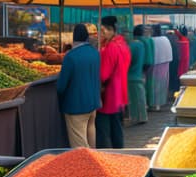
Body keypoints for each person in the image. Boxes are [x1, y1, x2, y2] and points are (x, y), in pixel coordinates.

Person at [55, 23, 100, 148]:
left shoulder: (71, 56)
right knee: (91, 133)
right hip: (93, 103)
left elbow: (61, 86)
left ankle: (85, 166)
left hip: (76, 106)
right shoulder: (95, 53)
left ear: (73, 38)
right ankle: (94, 161)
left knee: (79, 143)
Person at [96, 16, 129, 148]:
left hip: (109, 94)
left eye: (102, 30)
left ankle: (106, 156)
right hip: (120, 91)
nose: (101, 33)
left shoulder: (111, 47)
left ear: (108, 30)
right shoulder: (123, 45)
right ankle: (120, 153)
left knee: (104, 129)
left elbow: (104, 74)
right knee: (117, 127)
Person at [126, 25, 149, 126]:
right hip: (139, 74)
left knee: (134, 99)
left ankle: (136, 118)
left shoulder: (132, 46)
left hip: (131, 76)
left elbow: (128, 60)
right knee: (140, 97)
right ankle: (142, 117)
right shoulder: (142, 44)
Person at [151, 25, 173, 109]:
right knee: (163, 83)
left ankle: (156, 105)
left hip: (156, 64)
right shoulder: (165, 39)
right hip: (166, 63)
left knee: (155, 84)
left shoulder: (152, 40)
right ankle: (162, 102)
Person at [166, 28, 182, 96]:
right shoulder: (176, 38)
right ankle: (175, 90)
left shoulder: (167, 39)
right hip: (176, 59)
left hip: (170, 60)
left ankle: (170, 91)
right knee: (175, 75)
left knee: (170, 76)